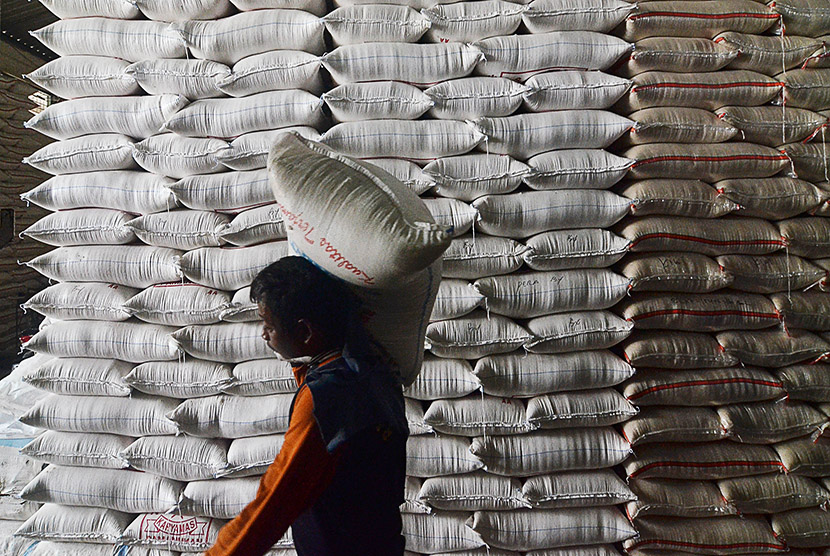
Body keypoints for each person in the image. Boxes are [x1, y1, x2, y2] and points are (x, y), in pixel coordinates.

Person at [205, 256, 409, 556]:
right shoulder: (376, 373)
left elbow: (275, 501)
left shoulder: (322, 400)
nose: (264, 335)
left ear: (305, 332)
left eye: (269, 325)